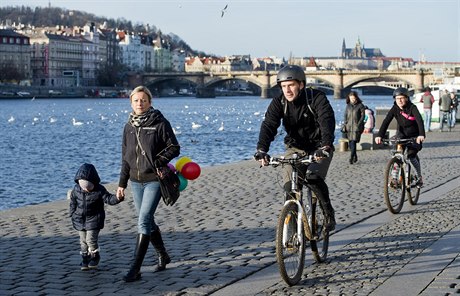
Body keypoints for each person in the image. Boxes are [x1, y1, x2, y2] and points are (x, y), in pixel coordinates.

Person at [253, 65, 336, 231]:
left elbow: (327, 121)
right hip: (295, 148)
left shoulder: (316, 98)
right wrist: (262, 150)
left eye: (291, 85)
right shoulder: (279, 102)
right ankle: (292, 232)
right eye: (283, 86)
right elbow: (269, 125)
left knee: (313, 178)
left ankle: (328, 213)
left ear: (301, 85)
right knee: (289, 187)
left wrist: (325, 145)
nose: (287, 90)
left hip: (319, 147)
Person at [117, 86, 180, 282]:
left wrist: (158, 161)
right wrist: (122, 184)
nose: (140, 104)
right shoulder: (128, 127)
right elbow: (126, 158)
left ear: (150, 102)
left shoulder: (160, 123)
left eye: (143, 100)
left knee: (143, 219)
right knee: (148, 220)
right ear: (131, 103)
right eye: (136, 100)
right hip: (136, 181)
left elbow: (174, 147)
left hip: (154, 179)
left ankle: (135, 268)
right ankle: (163, 254)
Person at [69, 163, 124, 270]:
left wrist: (118, 198)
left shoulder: (99, 190)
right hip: (79, 220)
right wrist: (72, 213)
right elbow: (73, 202)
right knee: (83, 241)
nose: (86, 190)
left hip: (94, 220)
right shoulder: (76, 190)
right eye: (84, 188)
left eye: (89, 187)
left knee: (90, 240)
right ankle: (85, 257)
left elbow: (108, 199)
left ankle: (95, 256)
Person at [375, 87, 425, 186]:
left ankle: (419, 178)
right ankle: (394, 179)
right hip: (401, 135)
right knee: (397, 155)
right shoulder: (395, 108)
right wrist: (379, 135)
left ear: (407, 98)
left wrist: (421, 135)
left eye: (402, 98)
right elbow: (386, 121)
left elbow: (420, 121)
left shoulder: (412, 108)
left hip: (414, 136)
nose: (400, 101)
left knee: (411, 156)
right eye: (397, 99)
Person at [343, 91, 366, 164]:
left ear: (356, 98)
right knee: (351, 143)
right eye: (351, 98)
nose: (352, 100)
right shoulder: (348, 106)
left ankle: (351, 157)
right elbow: (345, 115)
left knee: (353, 141)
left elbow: (363, 116)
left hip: (357, 127)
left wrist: (359, 124)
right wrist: (345, 124)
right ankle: (355, 156)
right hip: (349, 127)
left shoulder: (360, 105)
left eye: (353, 98)